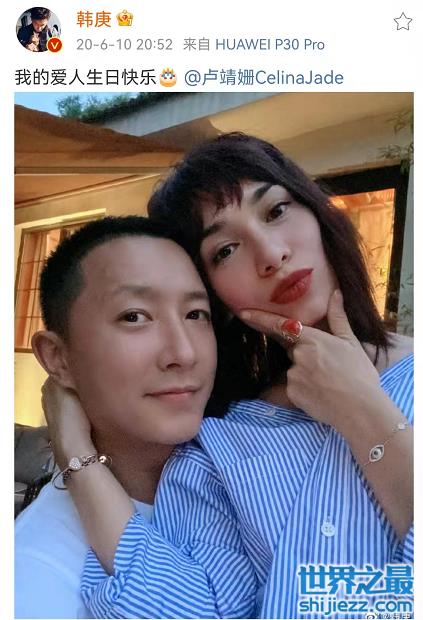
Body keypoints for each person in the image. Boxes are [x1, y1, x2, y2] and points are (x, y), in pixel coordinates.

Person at [45, 135, 413, 619]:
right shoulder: (222, 442)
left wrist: (362, 411)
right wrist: (76, 455)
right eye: (225, 250)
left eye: (276, 211)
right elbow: (192, 609)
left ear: (318, 213)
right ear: (213, 295)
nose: (271, 254)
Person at [15, 216, 252, 618]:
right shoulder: (36, 575)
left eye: (196, 314)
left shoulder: (255, 468)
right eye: (134, 316)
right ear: (58, 357)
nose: (184, 353)